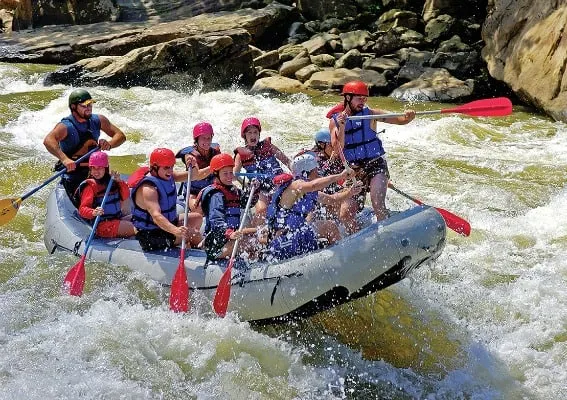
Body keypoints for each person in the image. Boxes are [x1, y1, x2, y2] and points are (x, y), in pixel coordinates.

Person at [328, 80, 415, 222]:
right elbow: (338, 150)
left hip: (375, 163)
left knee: (377, 204)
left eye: (365, 98)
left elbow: (400, 120)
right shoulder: (335, 121)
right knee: (345, 214)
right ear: (348, 98)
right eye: (359, 98)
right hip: (354, 170)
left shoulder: (371, 114)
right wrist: (342, 127)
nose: (362, 102)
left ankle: (388, 235)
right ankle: (357, 240)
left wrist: (408, 117)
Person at [264, 151, 361, 261]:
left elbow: (333, 200)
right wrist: (340, 176)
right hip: (285, 241)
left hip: (295, 235)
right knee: (328, 226)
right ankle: (345, 259)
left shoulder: (308, 191)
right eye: (316, 170)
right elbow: (313, 185)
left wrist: (351, 192)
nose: (318, 174)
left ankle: (342, 257)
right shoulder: (296, 185)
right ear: (306, 172)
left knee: (328, 225)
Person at [43, 89, 126, 202]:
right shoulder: (66, 126)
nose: (89, 108)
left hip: (96, 169)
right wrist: (64, 159)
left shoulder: (98, 120)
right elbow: (48, 140)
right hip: (74, 172)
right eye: (84, 106)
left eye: (90, 105)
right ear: (73, 107)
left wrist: (109, 144)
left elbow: (120, 135)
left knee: (115, 194)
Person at [130, 148, 203, 252]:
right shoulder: (148, 189)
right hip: (151, 235)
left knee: (197, 218)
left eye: (172, 167)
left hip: (166, 226)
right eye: (166, 168)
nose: (170, 171)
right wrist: (176, 230)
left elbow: (194, 176)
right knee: (193, 234)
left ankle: (189, 247)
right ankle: (202, 255)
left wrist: (194, 164)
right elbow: (156, 217)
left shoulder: (167, 176)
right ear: (154, 168)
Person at [197, 153, 259, 262]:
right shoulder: (216, 195)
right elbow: (216, 221)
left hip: (229, 238)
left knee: (259, 234)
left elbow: (248, 203)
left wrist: (254, 190)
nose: (230, 176)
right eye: (225, 174)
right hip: (217, 244)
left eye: (231, 173)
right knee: (255, 243)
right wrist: (229, 233)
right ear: (216, 174)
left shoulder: (232, 190)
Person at [233, 117, 292, 224]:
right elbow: (234, 175)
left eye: (255, 132)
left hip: (279, 184)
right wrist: (246, 184)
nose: (253, 135)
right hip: (259, 189)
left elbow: (287, 162)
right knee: (261, 210)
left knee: (291, 203)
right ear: (245, 135)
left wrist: (296, 173)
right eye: (249, 132)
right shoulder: (240, 155)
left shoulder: (269, 146)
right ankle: (253, 232)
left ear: (259, 134)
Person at [310, 128, 361, 234]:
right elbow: (317, 181)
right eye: (331, 145)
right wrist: (330, 162)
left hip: (344, 192)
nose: (335, 147)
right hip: (325, 198)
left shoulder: (342, 155)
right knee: (311, 215)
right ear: (321, 145)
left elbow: (356, 169)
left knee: (345, 212)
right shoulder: (313, 159)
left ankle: (356, 232)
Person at [75, 151, 136, 238]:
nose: (96, 171)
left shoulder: (113, 181)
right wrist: (93, 212)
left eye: (99, 168)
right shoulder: (90, 187)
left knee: (143, 219)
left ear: (106, 168)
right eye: (93, 168)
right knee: (138, 227)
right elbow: (82, 209)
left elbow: (125, 195)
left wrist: (119, 182)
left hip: (116, 218)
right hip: (102, 226)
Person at [176, 121, 221, 213]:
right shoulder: (189, 155)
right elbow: (197, 175)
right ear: (197, 139)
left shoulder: (216, 152)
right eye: (203, 138)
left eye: (209, 138)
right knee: (198, 209)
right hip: (193, 192)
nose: (207, 141)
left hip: (210, 189)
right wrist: (215, 164)